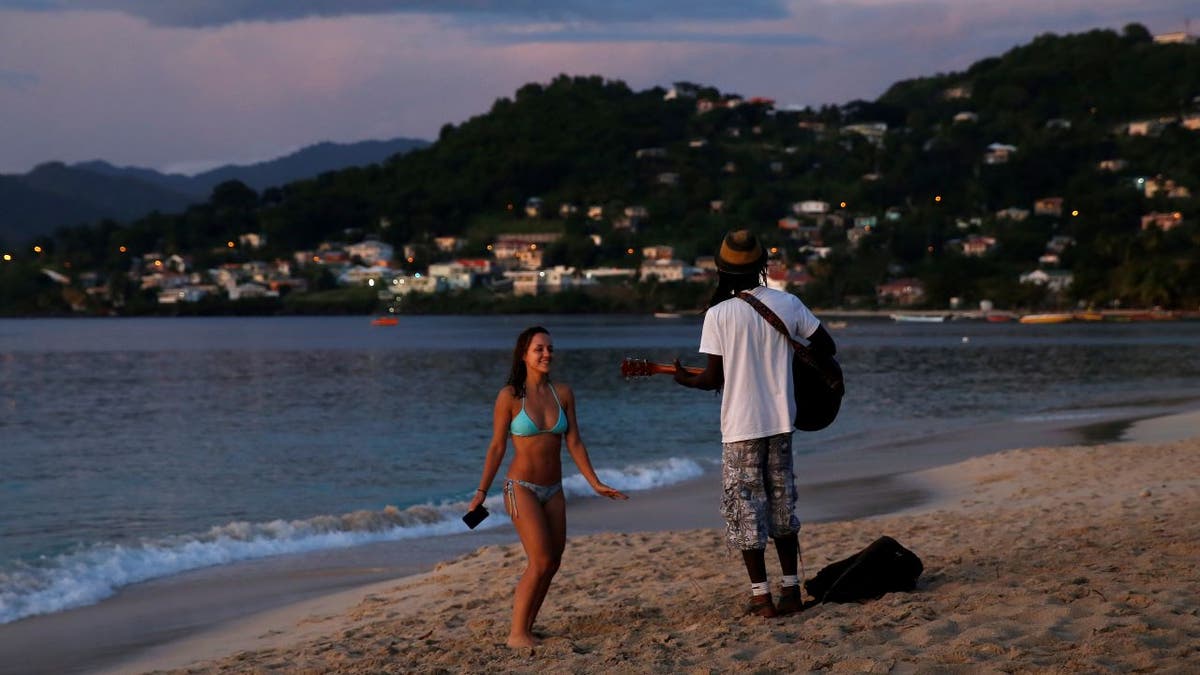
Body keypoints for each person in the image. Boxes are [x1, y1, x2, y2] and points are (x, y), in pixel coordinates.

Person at [672, 230, 836, 618]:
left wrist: (684, 379)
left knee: (745, 509)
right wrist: (784, 364)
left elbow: (713, 379)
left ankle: (761, 597)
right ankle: (791, 591)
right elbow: (826, 347)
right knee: (782, 506)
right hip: (782, 422)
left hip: (741, 427)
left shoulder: (719, 315)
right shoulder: (788, 303)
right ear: (762, 265)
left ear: (722, 270)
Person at [469, 325, 628, 647]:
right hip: (520, 487)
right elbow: (497, 447)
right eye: (539, 349)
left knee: (552, 562)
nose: (547, 354)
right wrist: (481, 493)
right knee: (539, 560)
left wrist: (594, 482)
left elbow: (575, 442)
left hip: (554, 489)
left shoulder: (563, 393)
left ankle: (527, 627)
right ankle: (516, 634)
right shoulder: (510, 396)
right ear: (524, 355)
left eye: (550, 349)